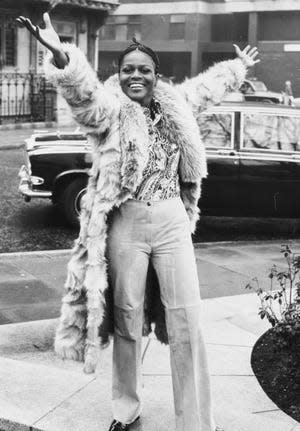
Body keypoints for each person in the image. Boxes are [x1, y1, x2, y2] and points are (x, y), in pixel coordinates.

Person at [17, 12, 259, 431]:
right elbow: (84, 97)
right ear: (120, 74)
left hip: (171, 221)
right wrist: (62, 57)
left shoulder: (176, 106)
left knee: (187, 318)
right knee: (127, 316)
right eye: (128, 69)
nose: (135, 76)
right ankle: (125, 409)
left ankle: (197, 421)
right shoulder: (111, 111)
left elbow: (207, 88)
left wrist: (237, 68)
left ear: (156, 76)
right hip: (126, 224)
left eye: (143, 70)